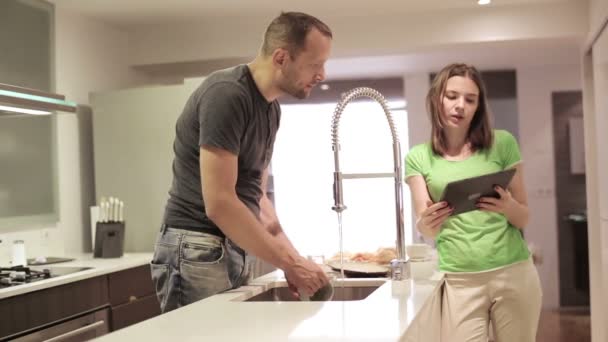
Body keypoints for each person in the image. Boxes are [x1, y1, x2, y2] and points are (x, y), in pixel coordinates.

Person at [151, 12, 332, 313]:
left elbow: (256, 199)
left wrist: (293, 261)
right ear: (281, 58)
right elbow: (220, 202)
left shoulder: (271, 111)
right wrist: (291, 263)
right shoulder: (227, 95)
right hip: (198, 247)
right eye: (315, 64)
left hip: (232, 246)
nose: (322, 74)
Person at [405, 63, 542, 342]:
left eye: (470, 99)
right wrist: (427, 222)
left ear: (478, 106)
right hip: (460, 281)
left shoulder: (502, 144)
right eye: (452, 96)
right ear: (436, 99)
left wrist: (507, 207)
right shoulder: (418, 157)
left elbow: (524, 217)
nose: (460, 106)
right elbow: (428, 229)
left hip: (513, 272)